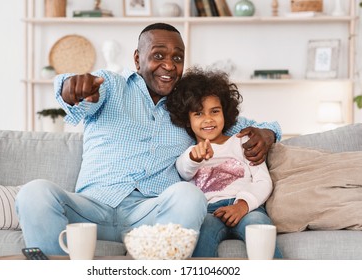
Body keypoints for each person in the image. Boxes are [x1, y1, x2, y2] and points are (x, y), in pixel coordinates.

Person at [15, 22, 281, 256]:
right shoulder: (111, 86)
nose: (169, 65)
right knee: (34, 193)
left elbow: (250, 126)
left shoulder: (189, 106)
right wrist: (71, 88)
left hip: (153, 213)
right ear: (137, 58)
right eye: (158, 55)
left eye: (177, 58)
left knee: (189, 196)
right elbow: (74, 90)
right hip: (93, 207)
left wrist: (267, 134)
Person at [165, 67, 282, 258]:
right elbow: (183, 170)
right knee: (201, 235)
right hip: (210, 212)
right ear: (187, 120)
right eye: (198, 114)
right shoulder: (191, 153)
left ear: (224, 113)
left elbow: (262, 180)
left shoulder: (242, 141)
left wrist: (242, 205)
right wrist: (195, 157)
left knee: (260, 227)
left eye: (214, 111)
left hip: (246, 207)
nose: (208, 119)